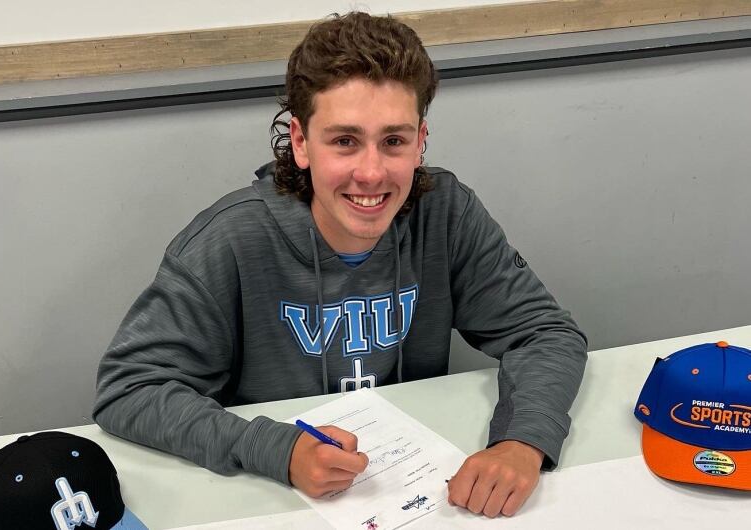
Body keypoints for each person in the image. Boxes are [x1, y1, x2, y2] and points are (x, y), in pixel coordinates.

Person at [93, 11, 587, 518]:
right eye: (344, 141)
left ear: (420, 141)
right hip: (272, 499)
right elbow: (130, 389)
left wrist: (522, 441)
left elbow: (544, 333)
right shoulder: (228, 240)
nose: (371, 172)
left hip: (413, 492)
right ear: (302, 143)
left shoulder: (447, 213)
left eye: (393, 141)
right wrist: (275, 450)